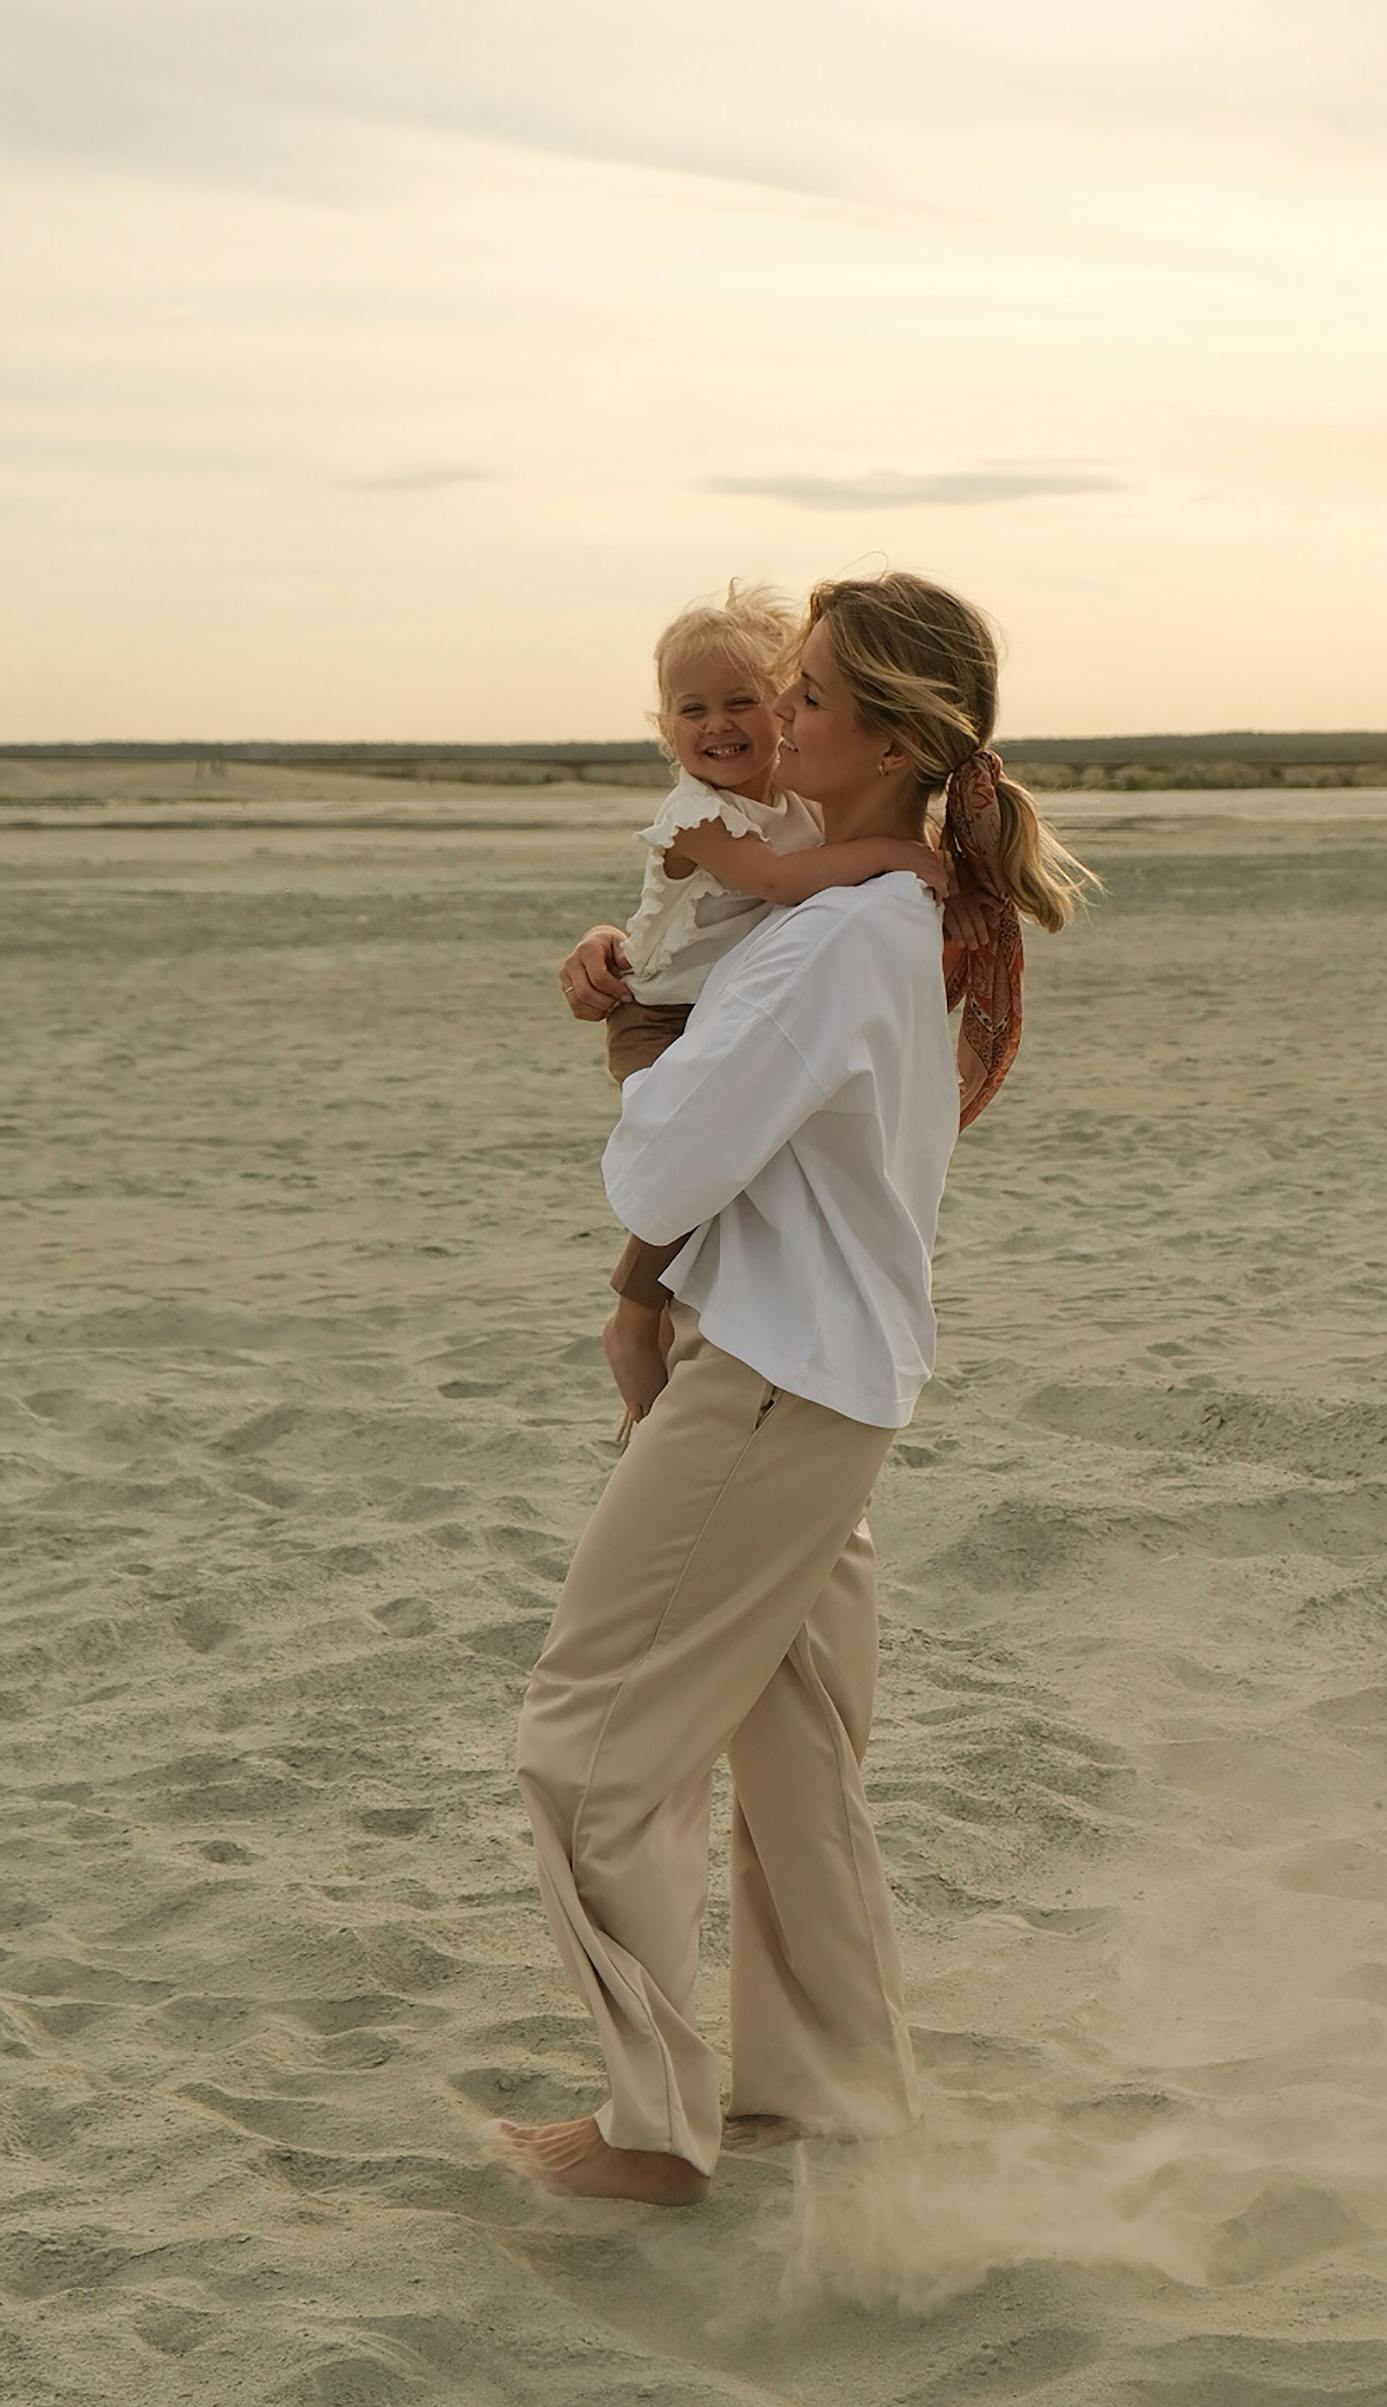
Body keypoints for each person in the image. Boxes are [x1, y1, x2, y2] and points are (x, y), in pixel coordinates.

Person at [498, 570, 1096, 2205]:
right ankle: (829, 2107)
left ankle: (648, 2131)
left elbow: (661, 1170)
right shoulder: (881, 916)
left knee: (583, 1745)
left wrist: (632, 1052)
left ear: (894, 739)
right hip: (836, 1379)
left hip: (768, 1378)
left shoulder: (837, 939)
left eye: (813, 692)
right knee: (795, 1759)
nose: (777, 711)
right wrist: (635, 982)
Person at [587, 576, 961, 1434]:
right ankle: (633, 1316)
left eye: (747, 700)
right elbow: (781, 884)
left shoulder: (793, 806)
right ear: (662, 729)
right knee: (693, 1160)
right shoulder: (696, 817)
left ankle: (653, 1316)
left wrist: (908, 854)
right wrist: (903, 852)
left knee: (721, 1156)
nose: (719, 725)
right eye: (692, 711)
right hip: (656, 1010)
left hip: (707, 999)